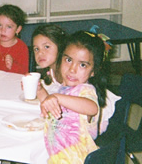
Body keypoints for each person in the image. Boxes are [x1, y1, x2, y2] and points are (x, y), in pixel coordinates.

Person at [37, 31, 109, 163]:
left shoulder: (86, 91)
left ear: (93, 71)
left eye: (82, 65)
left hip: (78, 159)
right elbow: (53, 106)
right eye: (68, 60)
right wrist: (40, 90)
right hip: (58, 157)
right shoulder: (65, 88)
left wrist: (57, 97)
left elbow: (92, 108)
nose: (72, 69)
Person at [32, 24, 68, 93]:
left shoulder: (67, 73)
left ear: (60, 46)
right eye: (36, 49)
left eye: (46, 47)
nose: (40, 53)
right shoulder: (52, 70)